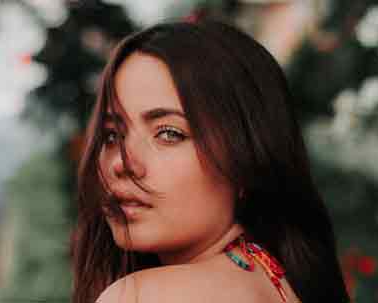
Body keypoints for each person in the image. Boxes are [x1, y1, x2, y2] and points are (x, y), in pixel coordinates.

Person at [71, 20, 350, 303]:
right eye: (111, 135)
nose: (122, 163)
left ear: (246, 157)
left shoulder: (141, 296)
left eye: (169, 133)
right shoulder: (281, 284)